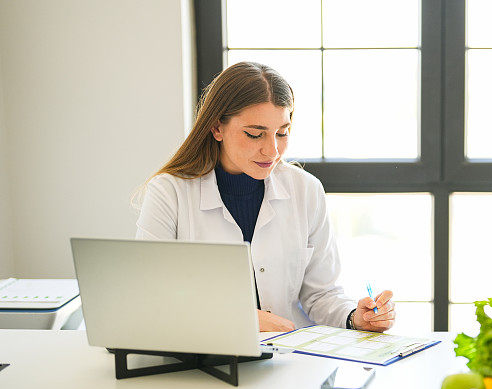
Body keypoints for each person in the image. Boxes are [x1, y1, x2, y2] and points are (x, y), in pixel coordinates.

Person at [134, 62, 395, 333]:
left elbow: (321, 295)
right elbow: (150, 297)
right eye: (255, 134)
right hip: (203, 360)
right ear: (216, 128)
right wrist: (237, 318)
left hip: (291, 359)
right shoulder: (169, 193)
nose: (272, 150)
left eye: (282, 133)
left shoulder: (306, 190)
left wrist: (356, 317)